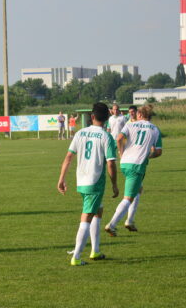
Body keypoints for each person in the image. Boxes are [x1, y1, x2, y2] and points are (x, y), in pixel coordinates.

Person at [57, 103, 119, 266]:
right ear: (107, 118)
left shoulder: (80, 133)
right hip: (95, 182)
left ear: (92, 117)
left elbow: (68, 157)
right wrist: (114, 184)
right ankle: (76, 257)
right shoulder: (107, 137)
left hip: (81, 181)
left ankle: (95, 250)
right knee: (87, 217)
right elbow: (111, 164)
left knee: (98, 211)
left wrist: (61, 178)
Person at [105, 104, 162, 236]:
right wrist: (149, 155)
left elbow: (119, 138)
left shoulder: (130, 124)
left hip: (125, 163)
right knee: (128, 198)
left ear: (140, 115)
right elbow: (158, 151)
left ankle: (130, 221)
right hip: (137, 165)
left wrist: (121, 153)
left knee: (138, 189)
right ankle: (112, 224)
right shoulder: (155, 129)